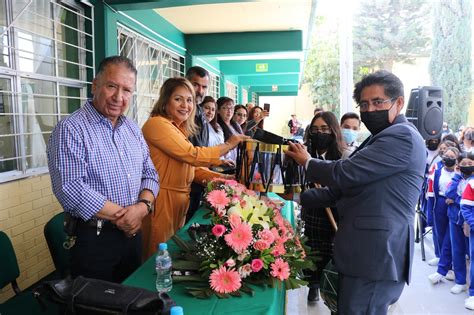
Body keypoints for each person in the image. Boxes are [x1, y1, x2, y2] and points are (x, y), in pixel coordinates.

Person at [285, 70, 426, 314]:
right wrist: (296, 197)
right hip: (363, 255)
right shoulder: (377, 138)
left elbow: (344, 173)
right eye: (364, 104)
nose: (370, 109)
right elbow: (343, 190)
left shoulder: (401, 136)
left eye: (378, 102)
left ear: (399, 103)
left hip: (376, 256)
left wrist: (307, 162)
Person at [47, 56, 159, 283]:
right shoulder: (71, 129)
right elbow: (71, 188)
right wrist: (127, 217)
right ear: (95, 85)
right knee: (96, 306)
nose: (119, 97)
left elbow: (150, 174)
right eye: (111, 86)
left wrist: (142, 208)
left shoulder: (132, 129)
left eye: (127, 90)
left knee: (132, 298)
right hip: (94, 239)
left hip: (132, 234)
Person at [141, 78, 246, 258]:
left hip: (180, 201)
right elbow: (193, 155)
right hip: (162, 199)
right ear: (165, 102)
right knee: (156, 258)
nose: (185, 105)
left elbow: (192, 168)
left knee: (171, 254)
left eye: (189, 100)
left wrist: (226, 180)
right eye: (178, 99)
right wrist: (229, 144)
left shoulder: (178, 129)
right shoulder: (157, 124)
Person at [302, 111, 347, 303]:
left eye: (324, 129)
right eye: (315, 129)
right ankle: (313, 285)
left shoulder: (343, 155)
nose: (319, 133)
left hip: (334, 213)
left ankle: (330, 289)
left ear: (333, 130)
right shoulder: (305, 154)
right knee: (312, 249)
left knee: (330, 251)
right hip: (312, 210)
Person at [426, 147, 458, 284]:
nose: (448, 158)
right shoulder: (437, 171)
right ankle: (444, 262)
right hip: (439, 203)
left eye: (452, 156)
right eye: (447, 155)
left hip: (452, 205)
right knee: (439, 234)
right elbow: (431, 192)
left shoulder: (459, 174)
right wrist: (430, 212)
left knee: (448, 238)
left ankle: (443, 270)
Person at [444, 151, 473, 295]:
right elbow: (449, 193)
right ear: (458, 165)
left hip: (470, 222)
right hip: (455, 219)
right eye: (463, 164)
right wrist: (456, 176)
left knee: (471, 254)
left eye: (470, 164)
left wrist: (455, 200)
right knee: (457, 251)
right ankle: (460, 281)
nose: (466, 166)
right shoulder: (457, 178)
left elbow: (464, 201)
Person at [186, 66, 211, 222]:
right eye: (196, 85)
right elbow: (191, 153)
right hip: (185, 184)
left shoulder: (200, 112)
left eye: (204, 87)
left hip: (199, 182)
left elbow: (203, 150)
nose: (200, 90)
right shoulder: (183, 112)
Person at [216, 97, 243, 162]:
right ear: (218, 110)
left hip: (238, 161)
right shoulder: (217, 127)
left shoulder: (236, 125)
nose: (229, 111)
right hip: (226, 162)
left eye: (231, 108)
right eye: (225, 108)